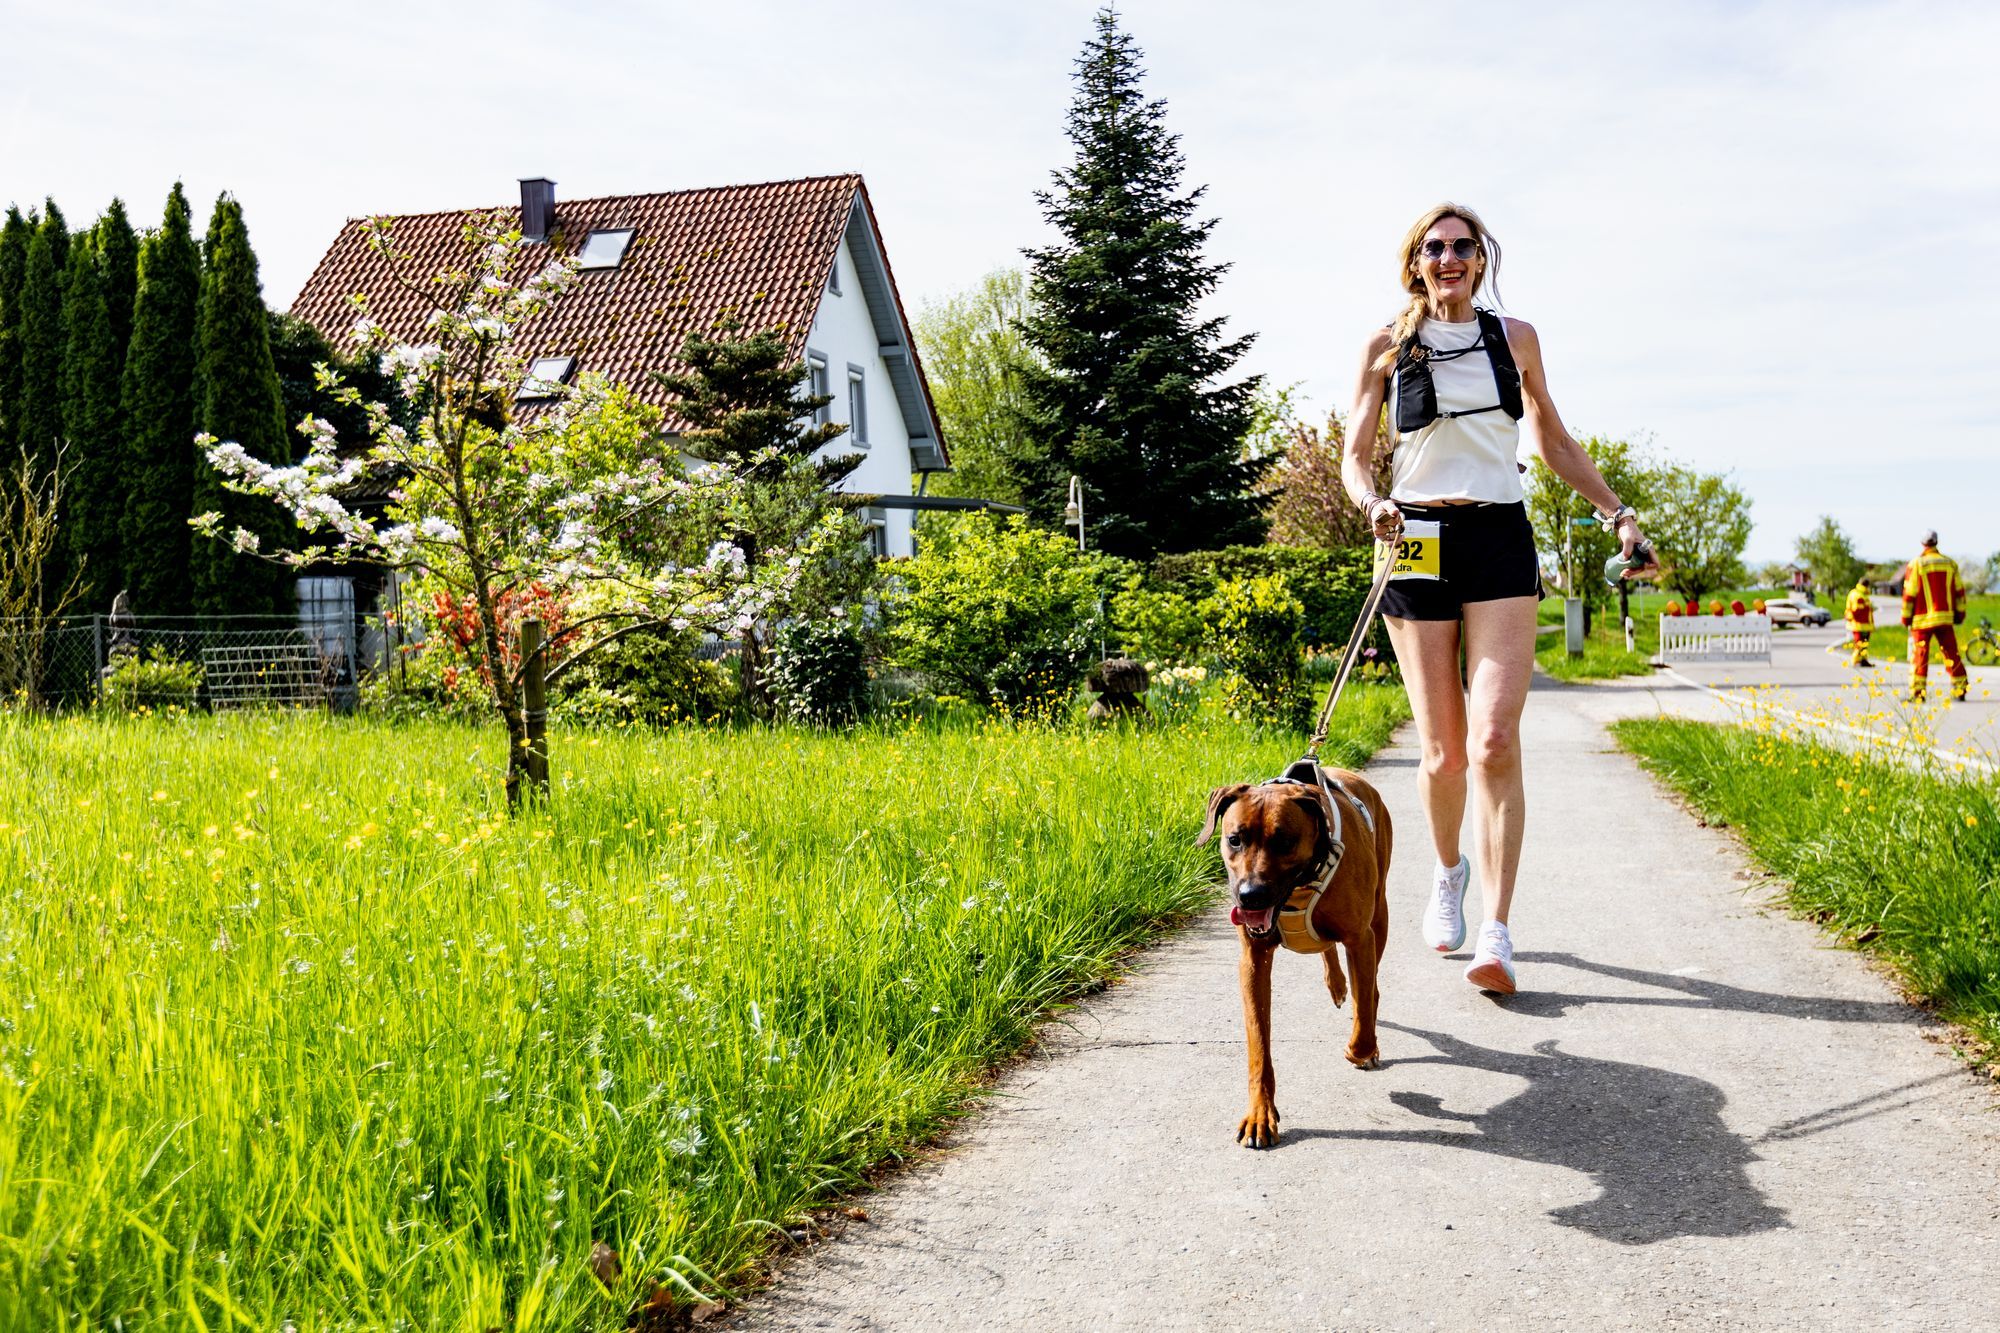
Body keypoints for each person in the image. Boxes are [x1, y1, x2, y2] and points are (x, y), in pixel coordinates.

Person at [1341, 202, 1650, 995]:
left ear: (1481, 260)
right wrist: (1370, 502)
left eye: (1463, 247)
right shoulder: (1387, 344)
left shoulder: (1515, 340)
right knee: (1442, 752)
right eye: (1435, 247)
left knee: (1494, 744)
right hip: (1413, 538)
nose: (1449, 258)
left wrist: (1617, 512)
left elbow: (1549, 437)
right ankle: (1449, 871)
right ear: (1416, 262)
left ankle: (1497, 930)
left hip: (1500, 537)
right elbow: (1353, 454)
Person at [1903, 531, 1968, 702]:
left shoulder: (1916, 564)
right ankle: (1960, 689)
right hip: (1945, 619)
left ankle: (1918, 693)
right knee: (1952, 654)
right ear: (1936, 542)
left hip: (1922, 620)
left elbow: (1909, 594)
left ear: (1923, 543)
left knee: (1920, 656)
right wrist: (1960, 614)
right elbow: (1960, 592)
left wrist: (1906, 617)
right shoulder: (1950, 564)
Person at [1843, 577, 1876, 668]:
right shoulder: (1858, 595)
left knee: (1864, 644)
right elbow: (1857, 611)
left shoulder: (1861, 594)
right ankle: (1856, 661)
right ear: (1866, 585)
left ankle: (1863, 660)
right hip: (1859, 625)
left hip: (1864, 625)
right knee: (1859, 644)